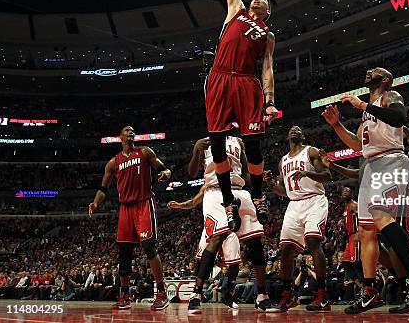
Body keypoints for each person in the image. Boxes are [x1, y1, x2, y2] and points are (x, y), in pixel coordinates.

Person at [323, 67, 409, 314]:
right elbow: (356, 144)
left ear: (384, 79)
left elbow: (398, 118)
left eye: (375, 71)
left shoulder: (390, 96)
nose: (368, 71)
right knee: (365, 230)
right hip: (371, 165)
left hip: (391, 160)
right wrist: (336, 125)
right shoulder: (368, 114)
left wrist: (362, 106)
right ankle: (371, 291)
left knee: (380, 215)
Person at [204, 0, 280, 231]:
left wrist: (270, 100)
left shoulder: (268, 34)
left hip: (248, 83)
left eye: (265, 1)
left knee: (254, 144)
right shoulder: (235, 8)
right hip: (221, 76)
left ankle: (258, 195)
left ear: (268, 12)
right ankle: (227, 202)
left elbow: (268, 68)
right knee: (217, 143)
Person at [167, 135, 273, 313]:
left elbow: (246, 173)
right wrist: (196, 150)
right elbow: (192, 173)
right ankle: (197, 294)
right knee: (217, 238)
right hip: (215, 192)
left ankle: (262, 295)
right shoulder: (205, 142)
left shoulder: (238, 142)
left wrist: (260, 182)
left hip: (239, 191)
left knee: (255, 243)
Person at [88, 125, 171, 310]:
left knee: (149, 247)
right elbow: (103, 189)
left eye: (133, 130)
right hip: (125, 208)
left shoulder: (145, 152)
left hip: (144, 203)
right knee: (124, 253)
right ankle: (124, 293)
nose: (131, 132)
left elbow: (163, 168)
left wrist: (165, 173)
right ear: (120, 137)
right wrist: (95, 203)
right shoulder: (113, 162)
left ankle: (162, 293)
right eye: (127, 130)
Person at [264, 126, 332, 312]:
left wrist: (308, 173)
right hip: (294, 204)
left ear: (302, 135)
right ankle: (288, 295)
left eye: (298, 129)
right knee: (285, 249)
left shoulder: (311, 151)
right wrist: (271, 185)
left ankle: (322, 294)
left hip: (314, 200)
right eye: (291, 129)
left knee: (313, 242)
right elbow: (283, 191)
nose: (294, 130)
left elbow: (327, 175)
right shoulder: (283, 161)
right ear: (287, 136)